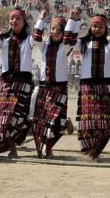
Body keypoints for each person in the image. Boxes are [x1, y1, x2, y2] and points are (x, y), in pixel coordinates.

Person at [0, 7, 36, 158]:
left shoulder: (29, 39)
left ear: (24, 21)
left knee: (18, 116)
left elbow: (39, 36)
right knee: (2, 117)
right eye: (12, 18)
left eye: (18, 18)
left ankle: (16, 145)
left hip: (23, 82)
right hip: (6, 82)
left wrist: (40, 17)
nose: (14, 21)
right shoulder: (2, 39)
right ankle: (12, 147)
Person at [72, 14, 110, 161]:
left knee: (107, 121)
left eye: (101, 26)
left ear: (106, 28)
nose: (97, 29)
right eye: (95, 26)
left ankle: (97, 149)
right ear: (90, 27)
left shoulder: (109, 45)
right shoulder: (83, 44)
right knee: (87, 121)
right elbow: (68, 39)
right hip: (88, 86)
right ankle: (90, 152)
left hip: (105, 86)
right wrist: (74, 20)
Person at [31, 9, 80, 159]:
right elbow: (36, 37)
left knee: (55, 121)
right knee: (42, 121)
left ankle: (51, 145)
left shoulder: (65, 47)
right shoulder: (44, 46)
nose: (55, 31)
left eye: (59, 29)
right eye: (53, 28)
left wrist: (72, 20)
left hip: (59, 88)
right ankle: (46, 148)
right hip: (44, 87)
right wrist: (40, 18)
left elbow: (69, 38)